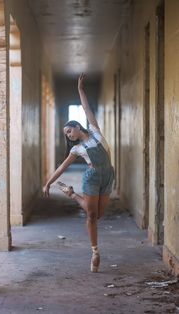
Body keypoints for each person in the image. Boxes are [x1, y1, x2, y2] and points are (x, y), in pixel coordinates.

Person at [43, 73, 114, 273]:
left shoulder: (95, 131)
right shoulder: (76, 150)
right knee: (91, 216)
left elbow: (87, 108)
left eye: (69, 131)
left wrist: (80, 89)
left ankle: (72, 194)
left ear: (76, 126)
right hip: (92, 178)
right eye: (66, 135)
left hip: (108, 176)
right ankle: (95, 252)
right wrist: (48, 183)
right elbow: (62, 167)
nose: (69, 135)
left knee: (99, 215)